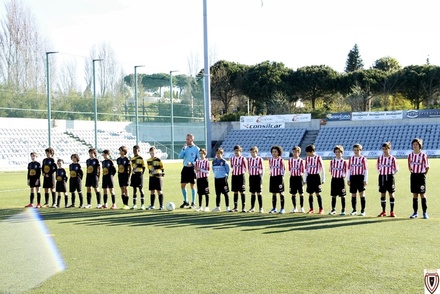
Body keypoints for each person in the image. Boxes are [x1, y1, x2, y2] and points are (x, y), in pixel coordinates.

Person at [408, 138, 430, 219]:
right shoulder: (410, 155)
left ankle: (424, 212)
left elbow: (427, 167)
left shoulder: (423, 155)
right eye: (413, 144)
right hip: (414, 176)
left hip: (421, 176)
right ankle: (415, 212)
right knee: (414, 194)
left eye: (416, 144)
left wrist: (423, 174)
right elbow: (409, 166)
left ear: (420, 145)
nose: (415, 146)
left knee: (422, 194)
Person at [377, 142, 399, 217]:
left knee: (391, 194)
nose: (384, 150)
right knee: (382, 193)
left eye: (386, 149)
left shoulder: (392, 158)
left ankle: (392, 211)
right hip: (382, 177)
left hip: (389, 177)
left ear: (389, 149)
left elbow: (396, 169)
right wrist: (381, 172)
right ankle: (383, 211)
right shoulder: (380, 158)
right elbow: (377, 167)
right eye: (383, 149)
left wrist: (390, 173)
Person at [178, 134, 200, 209]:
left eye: (188, 139)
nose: (186, 140)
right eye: (186, 139)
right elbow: (180, 156)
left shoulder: (196, 149)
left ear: (192, 140)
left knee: (192, 185)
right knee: (183, 185)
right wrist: (183, 149)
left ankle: (193, 203)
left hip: (192, 169)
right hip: (185, 168)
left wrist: (192, 163)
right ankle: (186, 201)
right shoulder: (185, 148)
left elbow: (199, 160)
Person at [347, 144, 368, 216]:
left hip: (360, 177)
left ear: (360, 150)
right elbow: (349, 169)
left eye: (358, 150)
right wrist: (348, 178)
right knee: (353, 194)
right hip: (353, 177)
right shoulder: (351, 159)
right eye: (355, 150)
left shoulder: (363, 159)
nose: (356, 151)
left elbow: (366, 170)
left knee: (361, 194)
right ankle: (354, 210)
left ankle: (363, 210)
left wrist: (365, 179)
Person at [304, 144, 325, 214]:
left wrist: (323, 179)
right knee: (310, 193)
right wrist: (305, 179)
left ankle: (321, 208)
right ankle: (311, 208)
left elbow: (323, 168)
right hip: (310, 177)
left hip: (316, 177)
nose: (307, 153)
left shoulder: (318, 158)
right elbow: (306, 169)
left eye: (308, 152)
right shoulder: (307, 158)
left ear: (312, 151)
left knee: (317, 193)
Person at [328, 146, 348, 216]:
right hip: (334, 179)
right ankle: (333, 209)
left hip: (341, 180)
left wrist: (342, 175)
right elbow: (330, 170)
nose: (337, 153)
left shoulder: (344, 162)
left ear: (342, 153)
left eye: (339, 152)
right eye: (336, 152)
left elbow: (345, 172)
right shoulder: (332, 161)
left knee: (342, 195)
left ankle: (343, 210)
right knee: (333, 195)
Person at [229, 145, 248, 212]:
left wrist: (241, 172)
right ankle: (235, 207)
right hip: (234, 176)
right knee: (235, 191)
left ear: (240, 151)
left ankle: (243, 207)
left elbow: (246, 168)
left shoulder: (243, 159)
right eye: (235, 150)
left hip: (241, 176)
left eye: (238, 150)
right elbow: (231, 166)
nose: (236, 152)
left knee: (242, 191)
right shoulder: (232, 158)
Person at [211, 148, 230, 212]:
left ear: (222, 154)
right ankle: (217, 206)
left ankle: (227, 207)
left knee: (225, 193)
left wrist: (225, 176)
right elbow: (213, 169)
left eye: (219, 153)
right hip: (217, 179)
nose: (218, 154)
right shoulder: (214, 161)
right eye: (217, 153)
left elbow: (228, 170)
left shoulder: (224, 162)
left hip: (223, 179)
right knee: (217, 193)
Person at [268, 145, 286, 214]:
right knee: (274, 193)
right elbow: (270, 168)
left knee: (281, 193)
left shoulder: (281, 160)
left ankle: (282, 208)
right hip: (272, 177)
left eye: (275, 152)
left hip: (279, 177)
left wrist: (282, 178)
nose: (274, 153)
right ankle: (274, 208)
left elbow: (284, 169)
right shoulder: (271, 160)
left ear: (278, 152)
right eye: (273, 152)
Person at [288, 146, 305, 213]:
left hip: (299, 178)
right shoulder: (290, 160)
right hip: (292, 178)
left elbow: (303, 170)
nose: (295, 153)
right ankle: (295, 207)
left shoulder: (301, 160)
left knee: (301, 193)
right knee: (293, 193)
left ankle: (302, 207)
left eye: (296, 152)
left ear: (299, 153)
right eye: (294, 152)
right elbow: (289, 169)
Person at [247, 146, 264, 213]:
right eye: (251, 152)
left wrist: (260, 177)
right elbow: (249, 168)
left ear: (256, 152)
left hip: (258, 177)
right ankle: (252, 207)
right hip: (252, 177)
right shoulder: (250, 159)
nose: (252, 153)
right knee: (252, 192)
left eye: (253, 152)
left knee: (259, 192)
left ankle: (261, 208)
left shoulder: (260, 159)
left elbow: (262, 169)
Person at [130, 145, 146, 210]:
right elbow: (132, 167)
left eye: (136, 150)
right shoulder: (132, 159)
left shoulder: (141, 158)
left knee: (141, 189)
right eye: (133, 150)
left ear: (138, 150)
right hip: (134, 175)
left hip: (139, 175)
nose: (134, 152)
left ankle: (142, 204)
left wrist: (141, 174)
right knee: (134, 190)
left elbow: (144, 167)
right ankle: (134, 204)